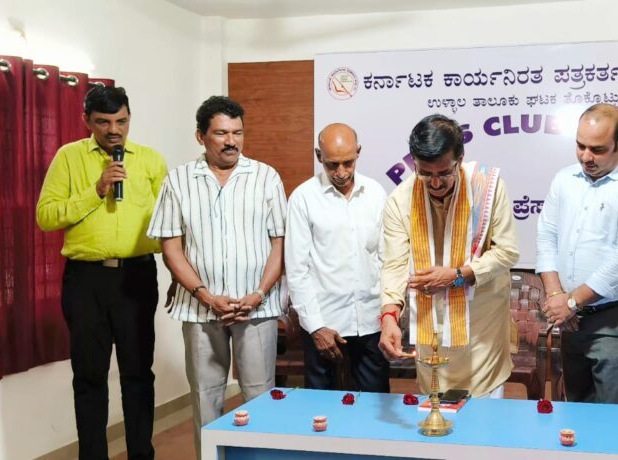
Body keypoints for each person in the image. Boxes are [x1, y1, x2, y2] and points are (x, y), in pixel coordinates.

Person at [146, 96, 286, 458]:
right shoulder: (178, 181)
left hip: (257, 308)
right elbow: (171, 248)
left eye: (237, 133)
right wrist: (206, 296)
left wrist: (258, 294)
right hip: (200, 309)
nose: (231, 141)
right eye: (222, 133)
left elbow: (280, 243)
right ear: (200, 136)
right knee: (206, 398)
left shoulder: (265, 177)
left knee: (259, 395)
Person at [36, 86, 166, 460]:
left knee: (138, 373)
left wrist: (180, 272)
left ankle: (141, 454)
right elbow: (46, 216)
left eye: (121, 121)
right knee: (90, 375)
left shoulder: (150, 160)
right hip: (86, 281)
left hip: (137, 278)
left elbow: (170, 222)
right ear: (87, 121)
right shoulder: (69, 157)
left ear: (129, 118)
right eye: (104, 122)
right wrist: (96, 190)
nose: (114, 130)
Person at [377, 114, 519, 398]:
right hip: (430, 325)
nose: (435, 183)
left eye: (443, 173)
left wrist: (457, 276)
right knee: (435, 409)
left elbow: (507, 251)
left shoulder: (487, 189)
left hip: (481, 327)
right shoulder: (400, 200)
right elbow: (394, 265)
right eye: (425, 173)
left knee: (485, 413)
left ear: (459, 159)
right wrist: (389, 315)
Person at [535, 103, 618, 404]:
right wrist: (557, 296)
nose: (586, 157)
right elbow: (546, 236)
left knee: (613, 415)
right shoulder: (564, 179)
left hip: (616, 318)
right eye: (580, 146)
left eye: (597, 149)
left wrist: (571, 302)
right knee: (577, 408)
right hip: (571, 318)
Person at [285, 123, 390, 392]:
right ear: (319, 156)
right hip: (325, 323)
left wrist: (389, 312)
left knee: (375, 403)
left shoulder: (376, 193)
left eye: (348, 163)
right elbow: (297, 270)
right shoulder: (303, 198)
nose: (341, 172)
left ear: (358, 152)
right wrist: (315, 327)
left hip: (371, 321)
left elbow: (386, 259)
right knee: (323, 406)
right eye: (332, 165)